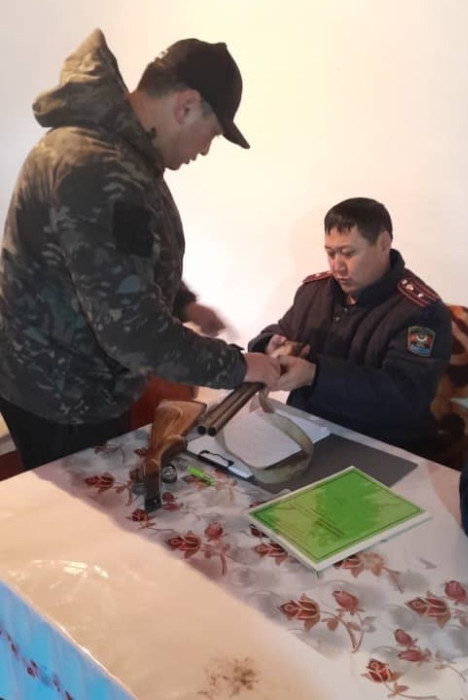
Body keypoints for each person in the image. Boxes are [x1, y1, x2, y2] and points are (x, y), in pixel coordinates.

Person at [0, 29, 280, 470]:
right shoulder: (97, 165)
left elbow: (115, 258)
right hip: (63, 393)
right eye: (211, 133)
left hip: (66, 376)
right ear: (186, 105)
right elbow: (133, 333)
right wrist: (241, 366)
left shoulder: (112, 149)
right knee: (83, 508)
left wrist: (182, 302)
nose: (205, 150)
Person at [249, 197, 452, 455]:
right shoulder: (314, 291)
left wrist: (314, 375)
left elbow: (403, 397)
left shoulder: (420, 312)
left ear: (383, 244)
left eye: (348, 253)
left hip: (378, 446)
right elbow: (283, 330)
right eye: (330, 253)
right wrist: (269, 345)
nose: (337, 266)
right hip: (305, 431)